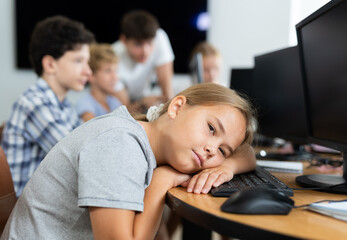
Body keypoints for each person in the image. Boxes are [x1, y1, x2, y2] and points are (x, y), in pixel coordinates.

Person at [1, 83, 257, 240]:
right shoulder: (120, 143)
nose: (213, 149)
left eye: (223, 150)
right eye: (212, 128)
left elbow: (247, 153)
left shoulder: (138, 132)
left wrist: (227, 167)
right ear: (177, 107)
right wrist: (162, 180)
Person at [1, 15, 95, 197]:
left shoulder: (63, 104)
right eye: (78, 61)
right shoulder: (35, 103)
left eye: (87, 62)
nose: (88, 71)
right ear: (50, 64)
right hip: (25, 213)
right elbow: (80, 157)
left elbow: (85, 144)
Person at [112, 10, 175, 113]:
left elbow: (168, 95)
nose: (145, 52)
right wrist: (143, 103)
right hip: (125, 106)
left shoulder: (159, 37)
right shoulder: (112, 59)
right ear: (123, 40)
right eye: (138, 44)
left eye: (149, 43)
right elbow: (124, 111)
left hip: (144, 98)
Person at [76, 43, 123, 122]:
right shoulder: (85, 104)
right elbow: (93, 130)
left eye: (116, 71)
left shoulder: (114, 101)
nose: (115, 77)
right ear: (91, 76)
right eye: (108, 71)